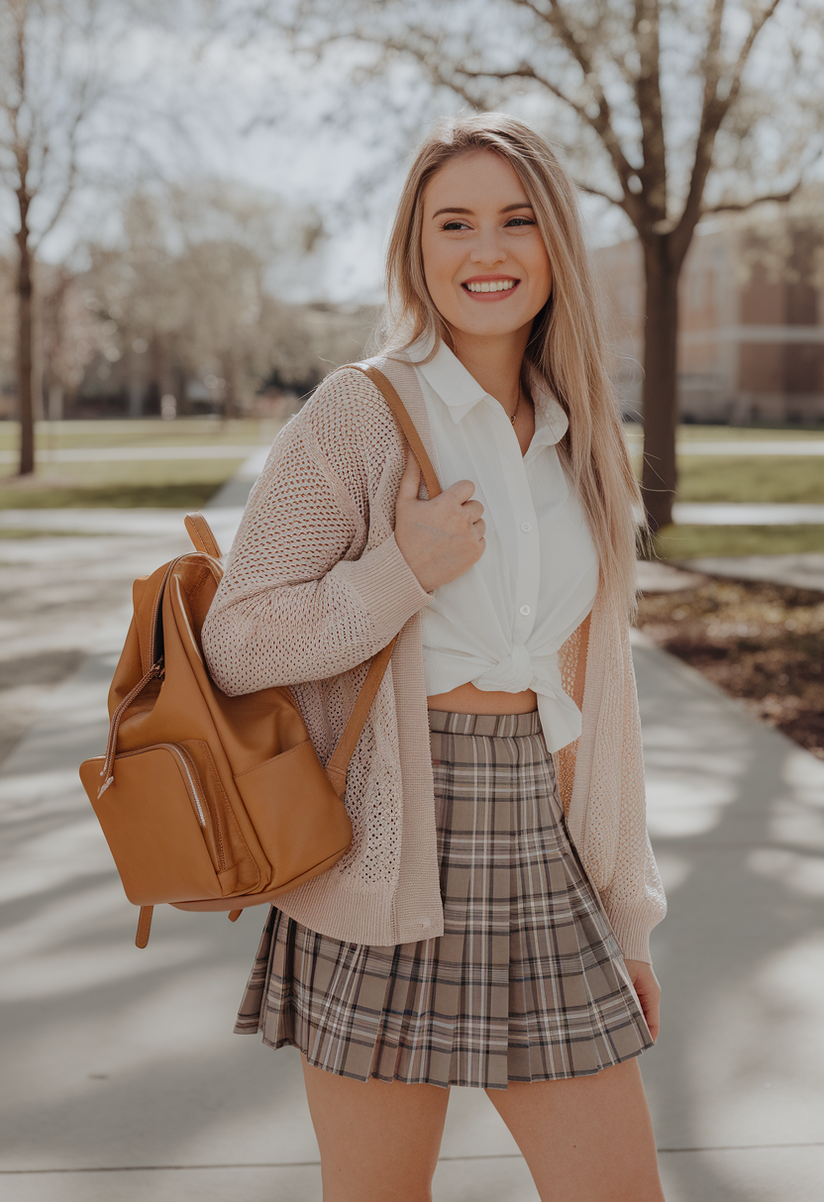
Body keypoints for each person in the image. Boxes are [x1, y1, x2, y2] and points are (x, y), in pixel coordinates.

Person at [202, 113, 667, 1202]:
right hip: (380, 851)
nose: (484, 251)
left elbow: (602, 702)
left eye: (514, 221)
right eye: (451, 223)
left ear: (554, 244)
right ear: (417, 248)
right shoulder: (360, 413)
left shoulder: (577, 437)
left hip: (540, 850)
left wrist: (628, 919)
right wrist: (398, 572)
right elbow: (237, 636)